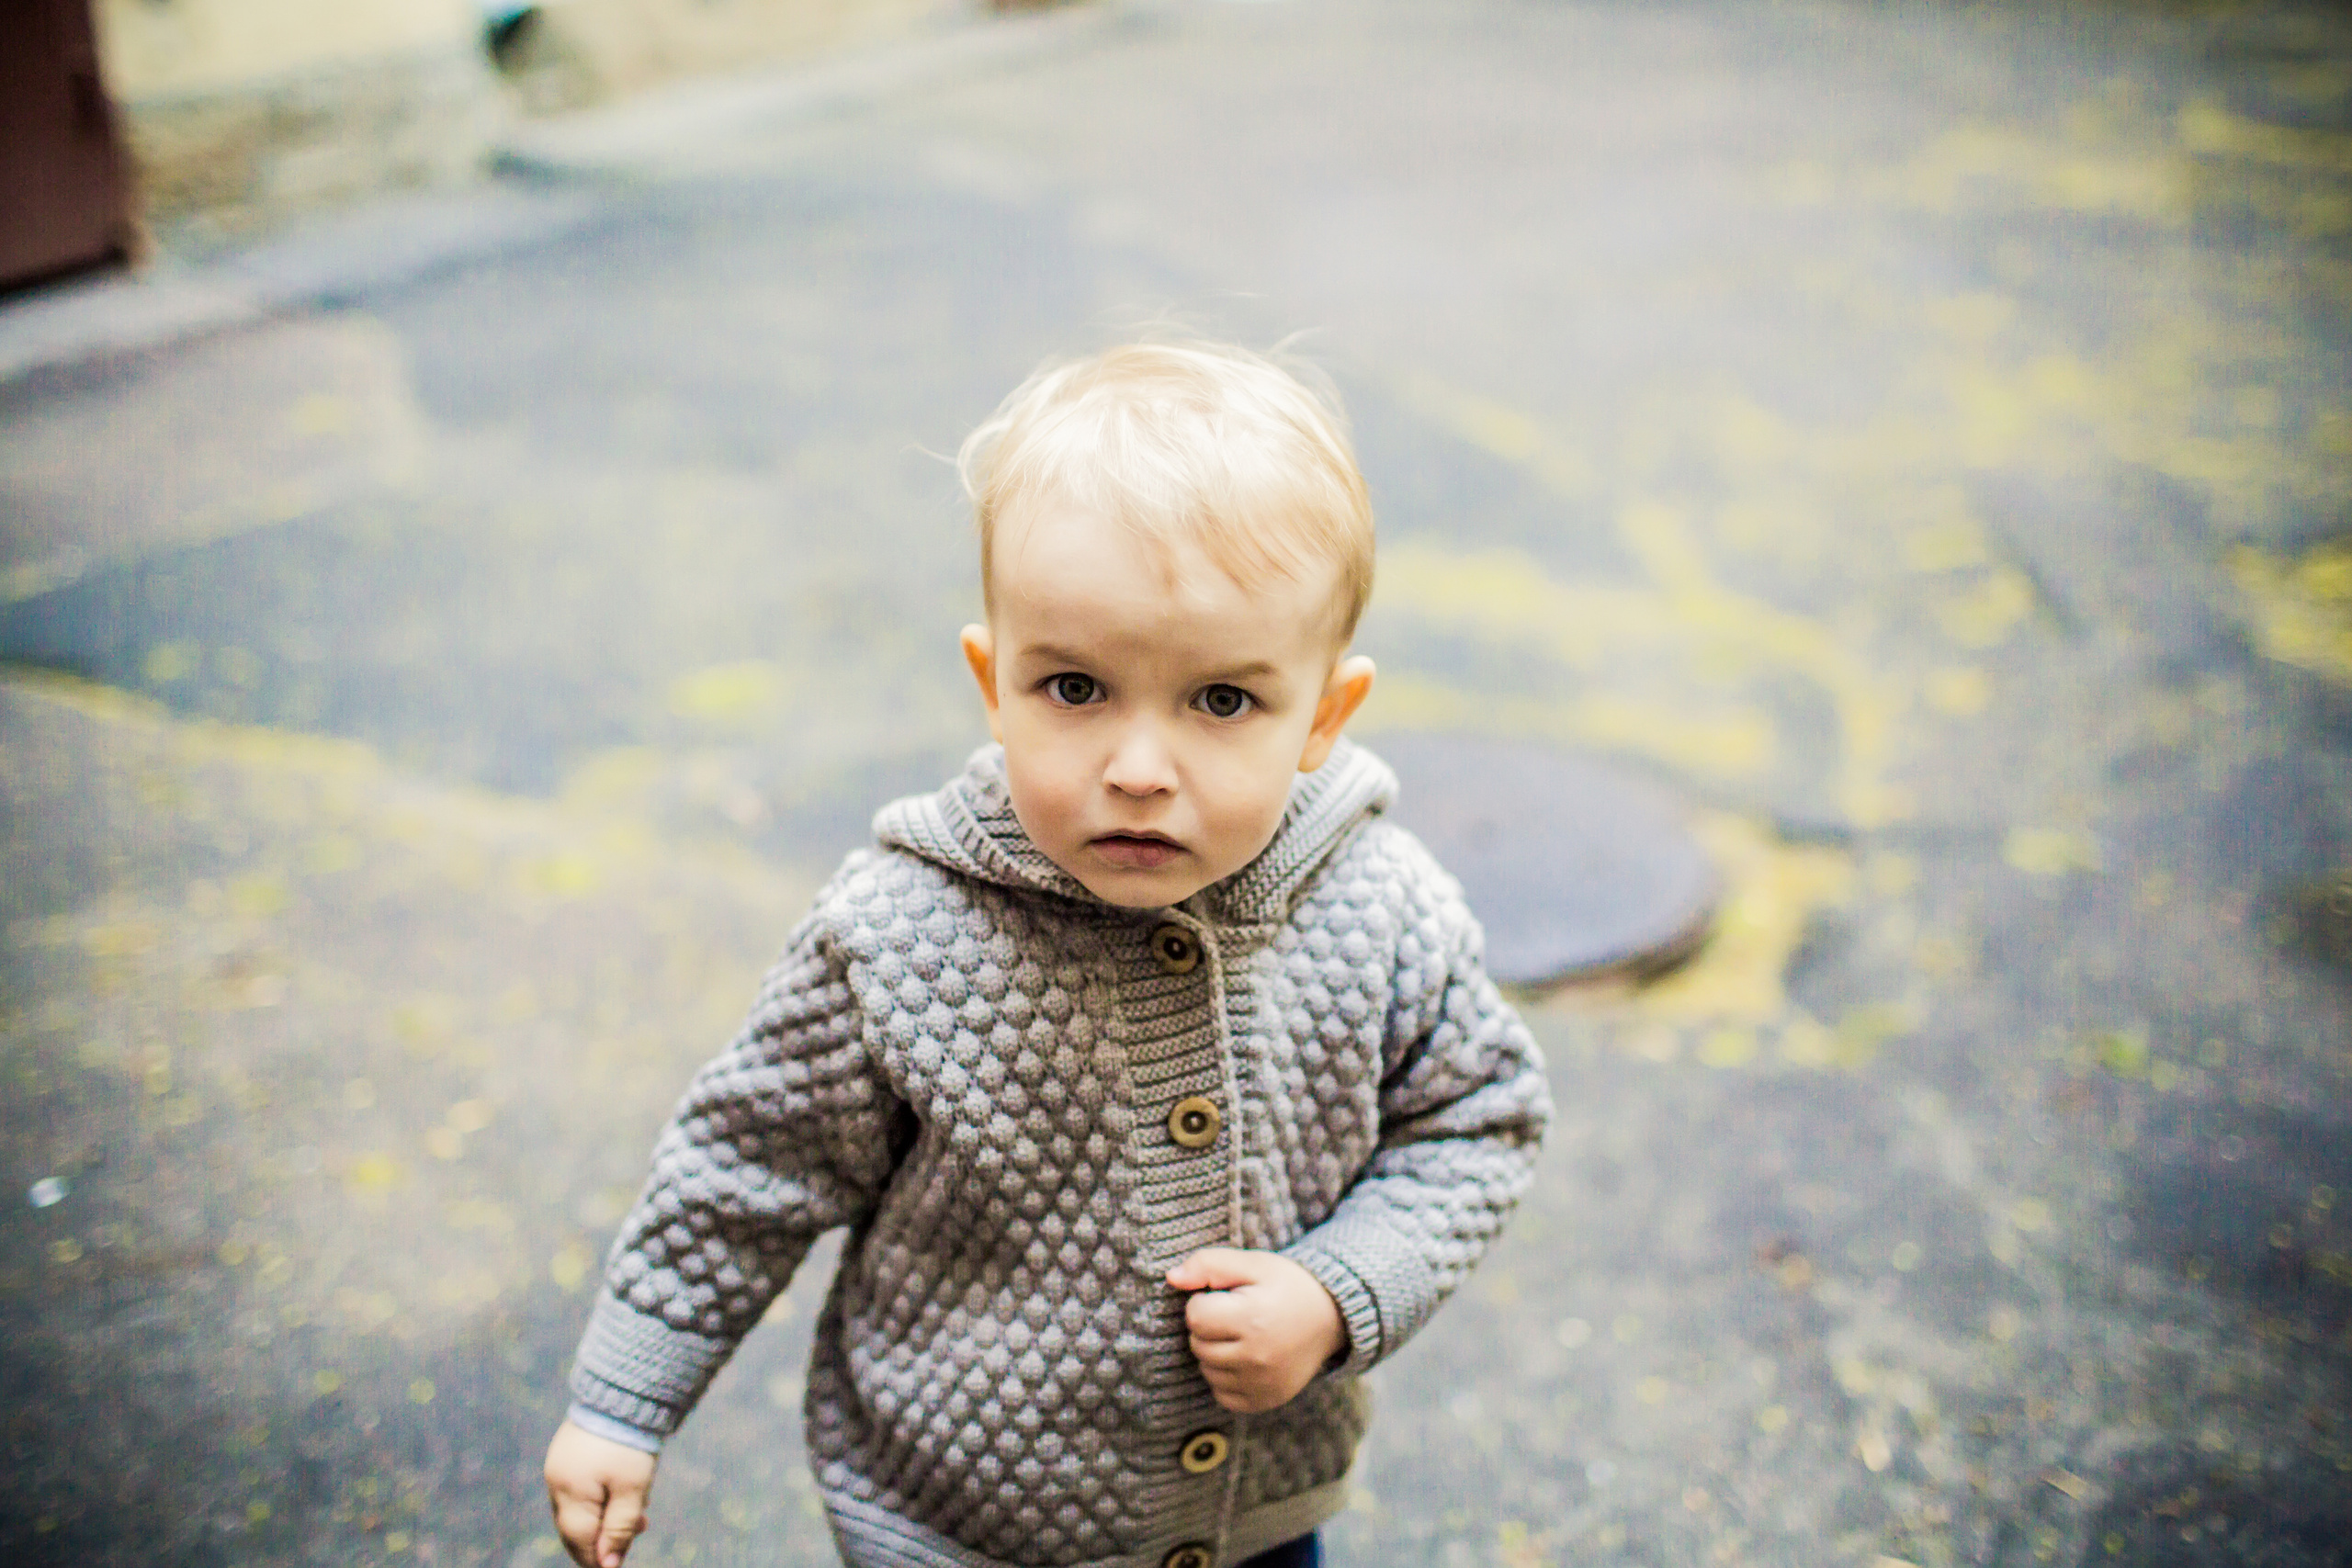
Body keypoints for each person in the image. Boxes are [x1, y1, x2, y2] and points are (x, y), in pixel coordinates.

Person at [543, 340, 1552, 1568]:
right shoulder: (902, 935)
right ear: (993, 682)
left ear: (1323, 719)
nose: (1137, 766)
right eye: (1075, 688)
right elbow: (744, 1165)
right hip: (954, 1524)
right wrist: (624, 1400)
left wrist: (1339, 1292)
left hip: (1252, 1513)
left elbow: (1479, 1117)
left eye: (1222, 701)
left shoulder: (1380, 904)